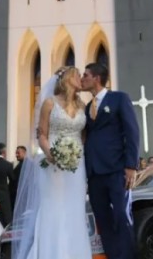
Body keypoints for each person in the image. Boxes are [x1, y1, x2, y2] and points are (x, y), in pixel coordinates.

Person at [11, 66, 92, 259]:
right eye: (77, 75)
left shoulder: (82, 106)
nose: (81, 78)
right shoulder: (49, 103)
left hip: (76, 165)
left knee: (75, 208)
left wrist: (76, 155)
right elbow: (42, 135)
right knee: (54, 207)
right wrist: (52, 154)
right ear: (66, 79)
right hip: (52, 164)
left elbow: (83, 137)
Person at [82, 63, 140, 259]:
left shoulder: (119, 99)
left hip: (117, 170)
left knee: (121, 217)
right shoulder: (88, 107)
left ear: (96, 78)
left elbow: (132, 131)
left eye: (86, 75)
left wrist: (131, 165)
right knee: (103, 220)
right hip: (94, 174)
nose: (83, 78)